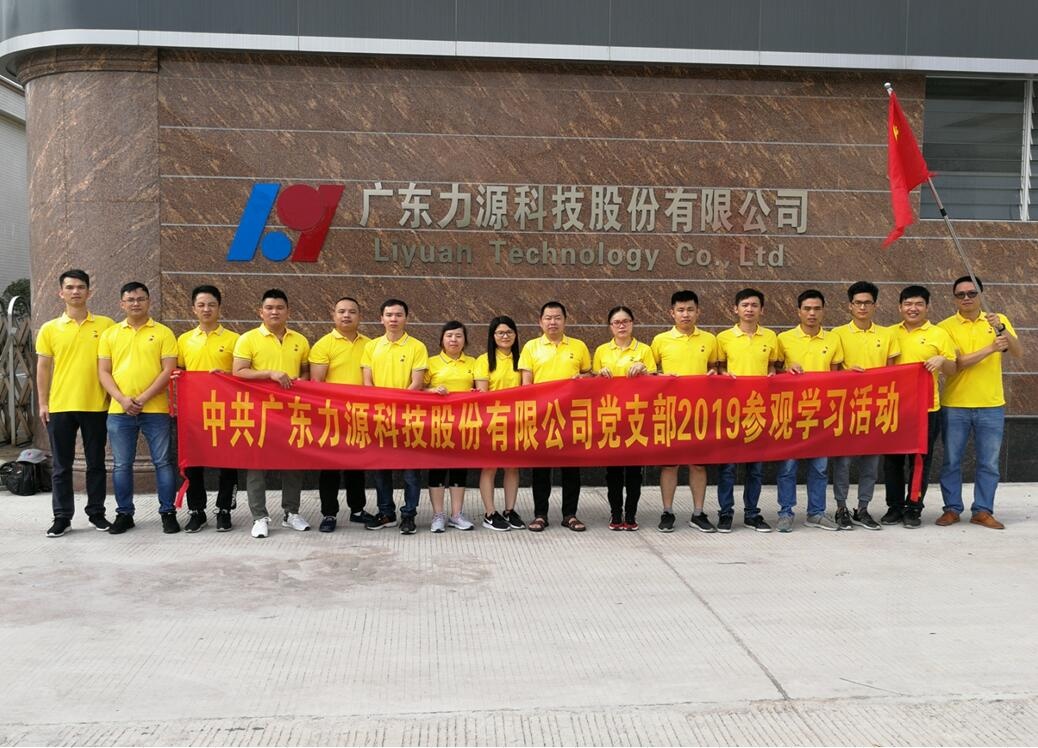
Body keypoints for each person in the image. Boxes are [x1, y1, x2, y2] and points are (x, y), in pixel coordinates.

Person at [937, 275, 1021, 529]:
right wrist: (990, 349)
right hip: (955, 404)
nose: (966, 298)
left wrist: (1002, 329)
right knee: (952, 461)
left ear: (981, 295)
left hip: (991, 404)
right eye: (960, 294)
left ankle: (983, 510)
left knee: (989, 463)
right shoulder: (945, 327)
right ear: (954, 299)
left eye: (972, 293)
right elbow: (956, 364)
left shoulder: (997, 320)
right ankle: (952, 509)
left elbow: (1018, 352)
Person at [36, 269, 115, 537]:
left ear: (89, 292)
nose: (75, 291)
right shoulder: (50, 328)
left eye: (80, 287)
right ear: (61, 293)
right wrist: (43, 403)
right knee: (61, 466)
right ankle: (62, 517)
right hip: (60, 406)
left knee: (96, 464)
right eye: (69, 287)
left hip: (96, 404)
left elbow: (113, 364)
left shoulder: (106, 325)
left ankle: (96, 513)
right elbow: (43, 368)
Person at [97, 281, 179, 534]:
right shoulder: (110, 334)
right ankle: (124, 514)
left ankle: (168, 512)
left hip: (156, 410)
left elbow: (168, 370)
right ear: (122, 304)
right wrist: (122, 399)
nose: (136, 303)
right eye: (130, 300)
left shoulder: (163, 333)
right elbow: (103, 371)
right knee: (122, 465)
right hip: (119, 411)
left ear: (149, 302)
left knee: (163, 462)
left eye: (141, 299)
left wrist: (142, 398)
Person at [232, 288, 311, 538]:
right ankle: (259, 517)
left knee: (294, 463)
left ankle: (291, 513)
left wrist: (302, 381)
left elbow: (306, 371)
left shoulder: (300, 340)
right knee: (257, 465)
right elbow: (238, 371)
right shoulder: (248, 339)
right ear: (261, 312)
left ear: (288, 312)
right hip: (259, 411)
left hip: (291, 412)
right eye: (269, 308)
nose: (274, 312)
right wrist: (269, 374)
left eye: (279, 308)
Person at [883, 285, 956, 529]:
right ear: (899, 307)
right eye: (908, 304)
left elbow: (953, 369)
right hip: (894, 407)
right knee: (892, 460)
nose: (912, 308)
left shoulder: (939, 334)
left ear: (927, 307)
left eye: (918, 304)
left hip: (926, 408)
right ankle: (894, 507)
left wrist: (942, 360)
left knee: (919, 461)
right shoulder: (889, 333)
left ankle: (914, 507)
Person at [518, 301, 592, 532]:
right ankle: (540, 514)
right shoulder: (531, 347)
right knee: (541, 469)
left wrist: (583, 379)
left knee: (571, 468)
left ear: (565, 321)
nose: (553, 322)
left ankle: (570, 514)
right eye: (548, 318)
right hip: (542, 416)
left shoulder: (578, 346)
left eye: (557, 318)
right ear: (540, 322)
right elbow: (526, 384)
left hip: (571, 415)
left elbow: (589, 376)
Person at [830, 281, 899, 531]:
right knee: (843, 463)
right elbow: (832, 372)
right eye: (858, 303)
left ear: (875, 305)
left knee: (870, 463)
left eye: (867, 303)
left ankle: (863, 508)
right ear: (850, 306)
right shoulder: (837, 334)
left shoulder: (887, 334)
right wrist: (847, 374)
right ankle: (841, 508)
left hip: (876, 408)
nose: (862, 307)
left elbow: (893, 372)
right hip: (846, 408)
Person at [776, 289, 845, 531]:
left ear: (823, 311)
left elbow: (837, 375)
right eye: (807, 308)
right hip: (790, 412)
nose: (812, 313)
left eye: (817, 309)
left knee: (820, 467)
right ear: (799, 311)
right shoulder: (783, 339)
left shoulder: (833, 339)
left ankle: (816, 512)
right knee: (787, 466)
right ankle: (785, 512)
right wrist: (786, 371)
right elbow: (772, 373)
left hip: (822, 412)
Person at [650, 290, 718, 533]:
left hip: (700, 411)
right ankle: (667, 512)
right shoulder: (660, 340)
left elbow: (716, 369)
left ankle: (698, 513)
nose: (685, 314)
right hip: (669, 411)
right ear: (672, 313)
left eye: (690, 309)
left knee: (698, 465)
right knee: (670, 465)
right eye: (680, 310)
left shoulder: (710, 340)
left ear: (698, 312)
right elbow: (650, 374)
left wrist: (714, 375)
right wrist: (660, 377)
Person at [360, 298, 428, 535]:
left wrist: (396, 408)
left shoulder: (417, 347)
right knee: (381, 469)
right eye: (389, 315)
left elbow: (417, 383)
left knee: (410, 471)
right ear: (381, 319)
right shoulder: (371, 347)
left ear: (406, 318)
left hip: (408, 417)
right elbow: (367, 382)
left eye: (398, 315)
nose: (393, 319)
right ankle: (386, 512)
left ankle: (409, 515)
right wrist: (383, 408)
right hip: (380, 417)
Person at [176, 284, 240, 533]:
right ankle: (197, 511)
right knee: (193, 463)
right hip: (194, 411)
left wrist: (227, 375)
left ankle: (224, 510)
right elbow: (180, 369)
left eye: (211, 305)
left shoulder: (234, 339)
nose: (206, 309)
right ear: (193, 309)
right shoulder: (184, 340)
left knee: (228, 462)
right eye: (201, 305)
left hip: (227, 410)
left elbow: (242, 374)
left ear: (219, 308)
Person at [309, 296, 376, 532]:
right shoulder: (323, 345)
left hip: (360, 414)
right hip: (331, 414)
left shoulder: (371, 345)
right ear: (334, 315)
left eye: (352, 312)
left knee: (356, 465)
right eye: (341, 311)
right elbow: (316, 382)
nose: (346, 315)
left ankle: (357, 510)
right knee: (330, 467)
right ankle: (329, 513)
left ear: (360, 316)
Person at [715, 288, 779, 533]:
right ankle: (725, 513)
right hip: (731, 411)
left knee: (756, 468)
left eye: (754, 305)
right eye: (744, 305)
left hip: (759, 410)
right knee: (728, 468)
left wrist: (772, 375)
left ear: (762, 310)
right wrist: (723, 375)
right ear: (736, 309)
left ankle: (752, 513)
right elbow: (718, 368)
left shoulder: (771, 337)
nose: (749, 309)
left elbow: (772, 366)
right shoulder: (723, 338)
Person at [595, 305, 657, 531]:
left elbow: (655, 382)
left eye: (625, 321)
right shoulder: (602, 351)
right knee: (613, 472)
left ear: (632, 324)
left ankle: (630, 515)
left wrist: (644, 370)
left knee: (633, 472)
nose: (621, 326)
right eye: (616, 322)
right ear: (610, 326)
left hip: (636, 418)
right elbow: (593, 385)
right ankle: (615, 514)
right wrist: (599, 375)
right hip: (611, 417)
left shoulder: (645, 350)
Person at [425, 321, 478, 532]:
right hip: (437, 424)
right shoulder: (431, 362)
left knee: (459, 469)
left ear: (465, 340)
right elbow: (418, 390)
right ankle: (438, 515)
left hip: (464, 424)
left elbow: (480, 388)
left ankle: (457, 514)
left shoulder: (473, 362)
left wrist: (475, 394)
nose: (453, 340)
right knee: (437, 469)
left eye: (458, 336)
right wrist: (433, 391)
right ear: (442, 340)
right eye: (449, 336)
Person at [474, 315, 526, 531]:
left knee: (512, 467)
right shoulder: (484, 360)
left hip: (517, 421)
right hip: (492, 421)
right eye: (500, 333)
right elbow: (482, 394)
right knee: (490, 467)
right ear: (492, 336)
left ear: (515, 334)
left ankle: (509, 510)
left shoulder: (523, 359)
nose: (505, 336)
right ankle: (489, 513)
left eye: (509, 332)